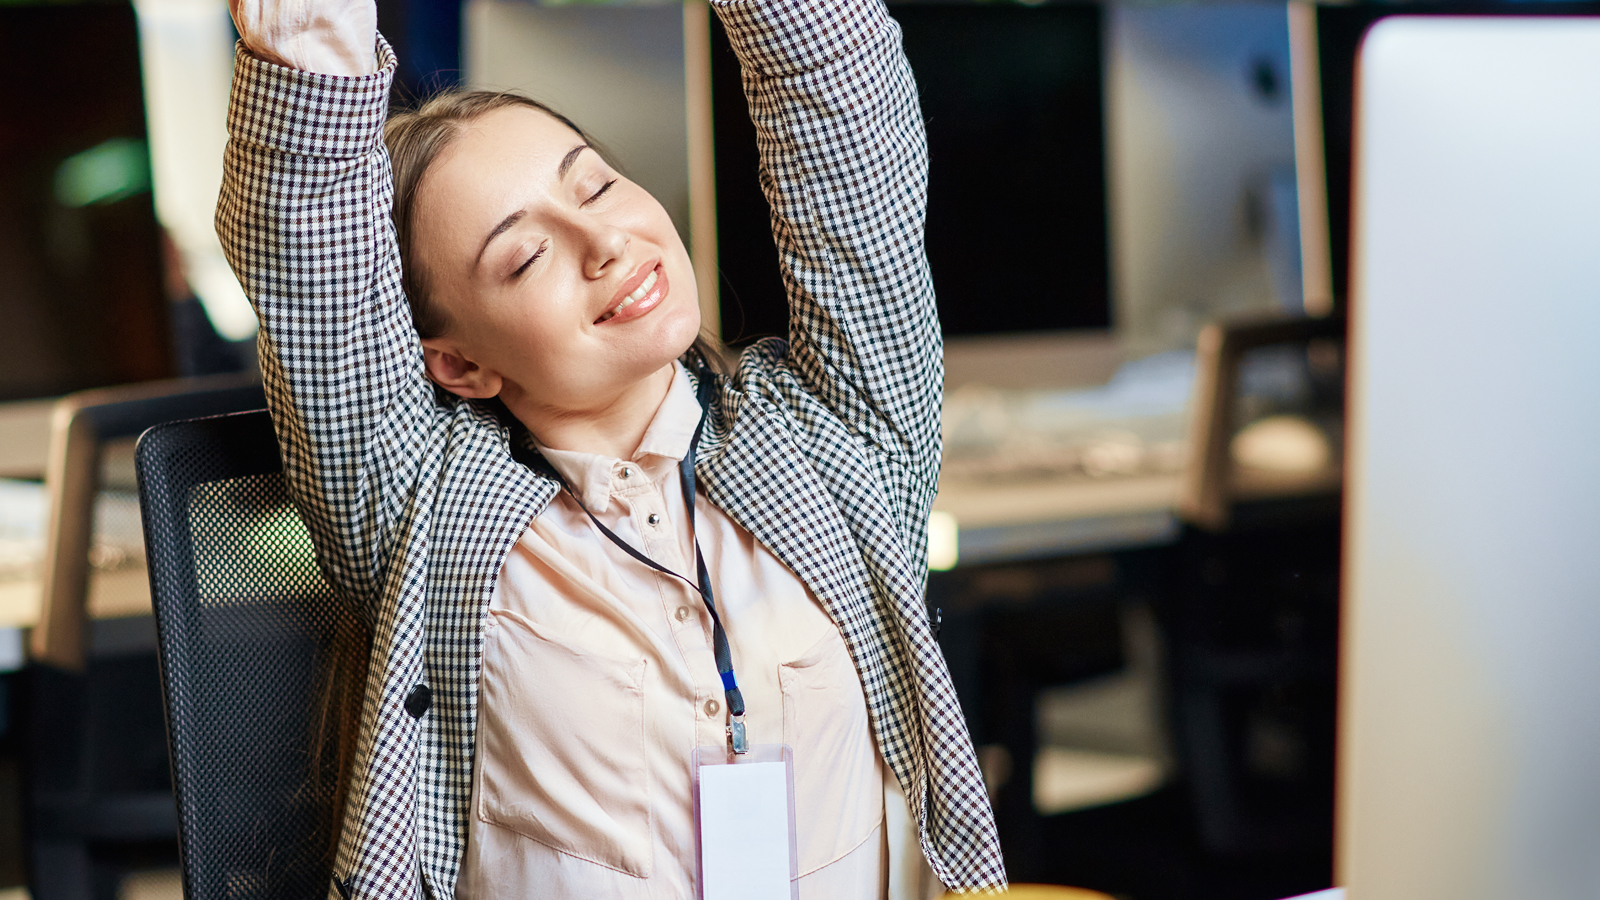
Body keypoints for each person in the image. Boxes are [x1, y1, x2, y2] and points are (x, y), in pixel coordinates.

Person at [219, 0, 1005, 896]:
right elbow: (306, 252)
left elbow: (842, 122)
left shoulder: (834, 437)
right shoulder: (418, 507)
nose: (604, 242)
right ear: (459, 362)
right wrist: (308, 39)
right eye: (524, 259)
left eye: (594, 186)